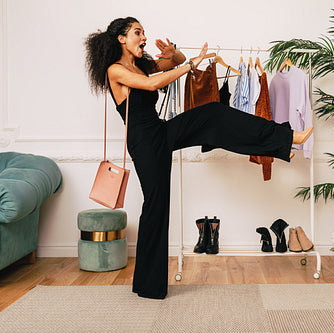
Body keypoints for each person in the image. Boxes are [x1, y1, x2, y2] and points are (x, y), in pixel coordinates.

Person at [85, 17, 313, 299]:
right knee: (156, 207)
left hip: (161, 131)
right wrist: (189, 65)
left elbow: (173, 63)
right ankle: (147, 285)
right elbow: (152, 84)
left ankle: (284, 139)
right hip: (144, 144)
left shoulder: (141, 64)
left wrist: (177, 56)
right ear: (121, 38)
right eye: (137, 32)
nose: (143, 37)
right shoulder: (116, 70)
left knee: (213, 114)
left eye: (144, 32)